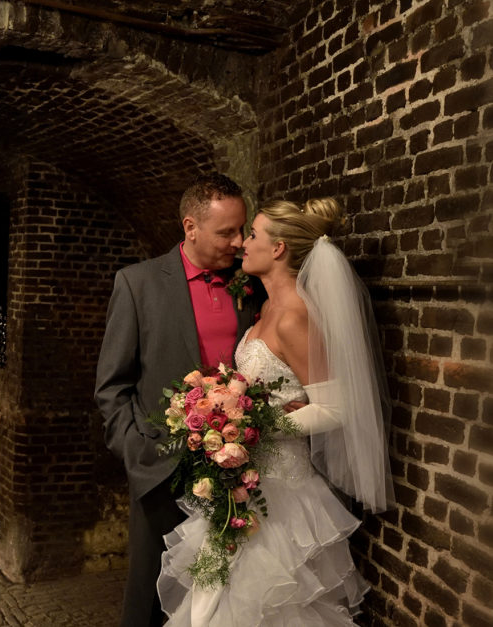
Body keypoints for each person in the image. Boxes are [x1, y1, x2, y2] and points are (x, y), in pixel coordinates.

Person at [157, 198, 395, 625]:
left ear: (279, 248)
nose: (242, 244)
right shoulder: (265, 308)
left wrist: (249, 427)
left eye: (252, 235)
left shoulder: (295, 316)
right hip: (248, 481)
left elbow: (337, 407)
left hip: (282, 493)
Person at [95, 173, 265, 627]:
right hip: (161, 469)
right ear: (190, 227)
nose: (237, 242)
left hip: (238, 466)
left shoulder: (251, 285)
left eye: (241, 229)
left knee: (219, 597)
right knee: (149, 598)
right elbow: (112, 386)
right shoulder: (138, 283)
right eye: (225, 232)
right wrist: (138, 453)